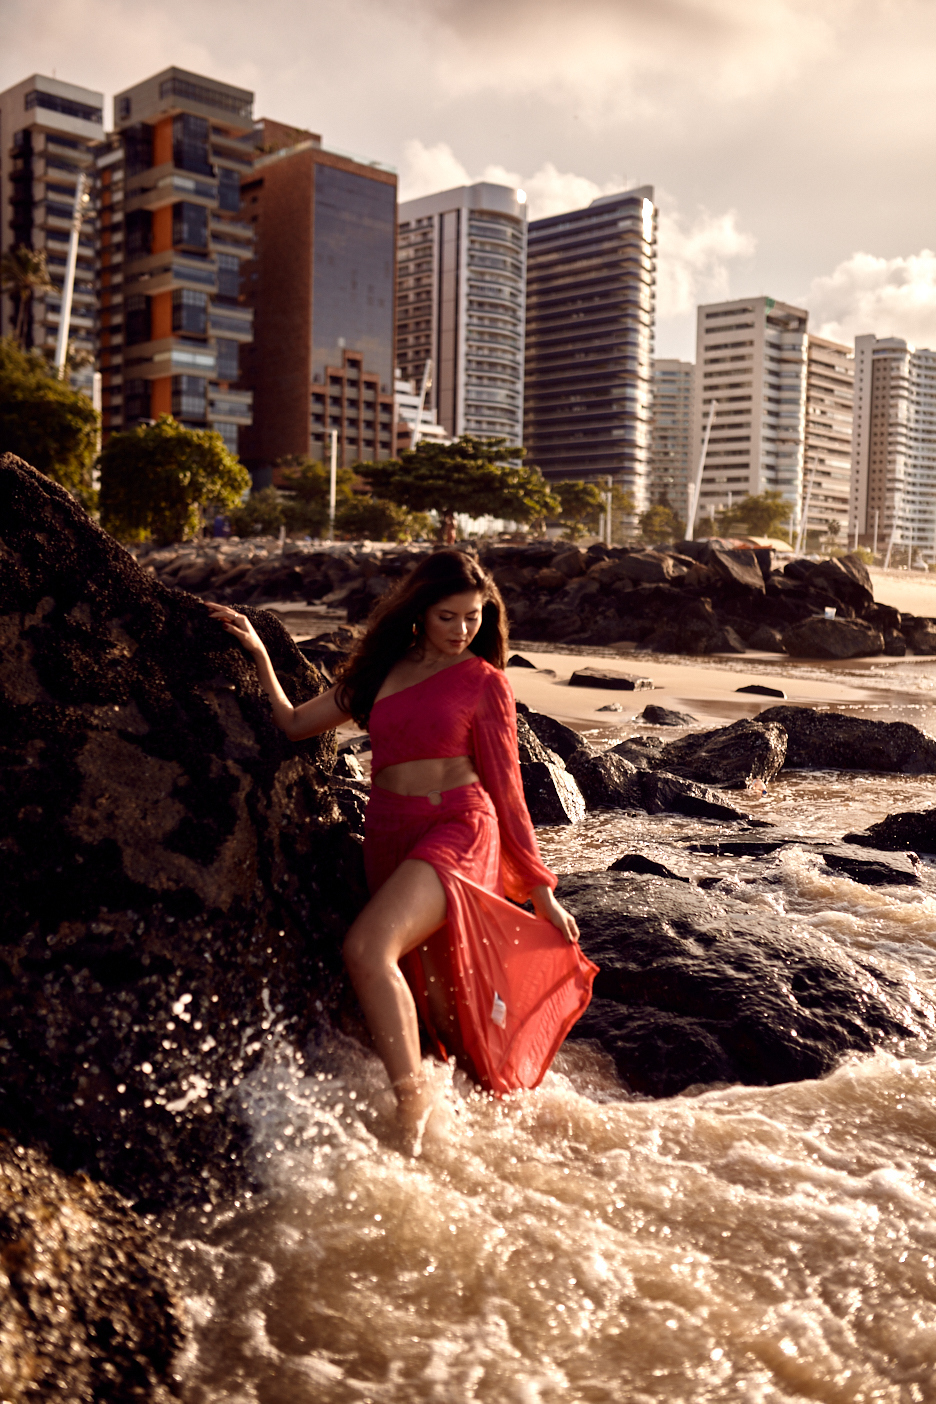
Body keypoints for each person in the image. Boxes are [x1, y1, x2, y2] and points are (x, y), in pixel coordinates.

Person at [207, 551, 596, 1148]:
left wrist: (542, 891)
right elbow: (292, 724)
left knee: (367, 949)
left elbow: (507, 788)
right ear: (418, 611)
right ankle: (484, 1124)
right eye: (449, 617)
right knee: (439, 1005)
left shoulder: (485, 682)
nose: (463, 630)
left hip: (460, 828)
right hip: (389, 829)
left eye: (473, 617)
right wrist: (259, 653)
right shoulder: (379, 672)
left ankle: (411, 1107)